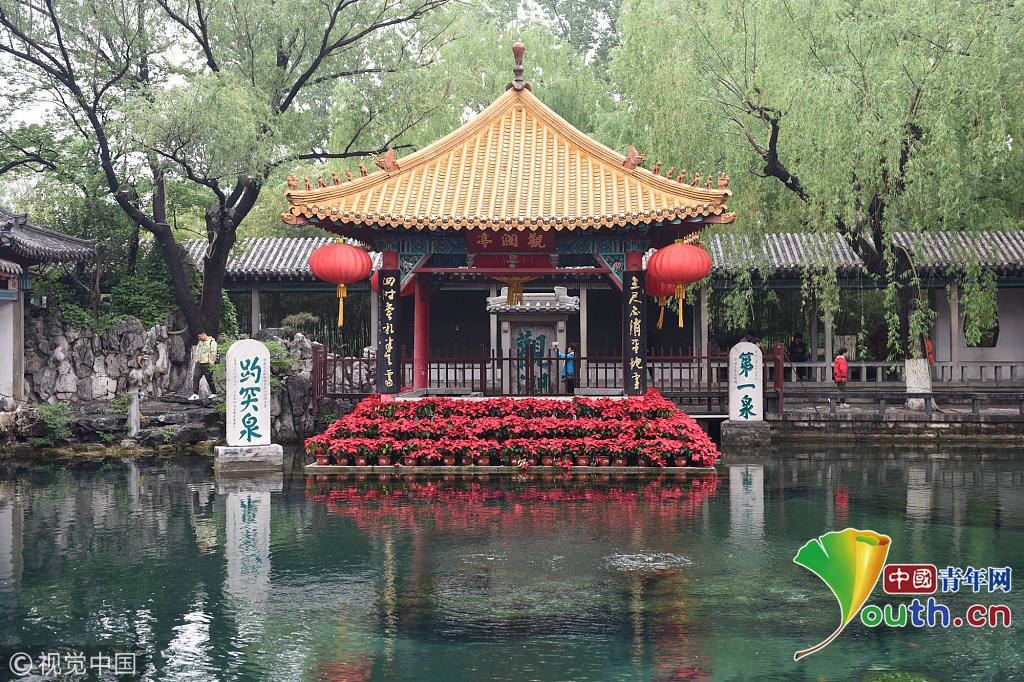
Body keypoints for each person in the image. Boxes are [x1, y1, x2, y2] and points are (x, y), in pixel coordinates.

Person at [189, 330, 219, 400]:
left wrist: (211, 363)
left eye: (199, 336)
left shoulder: (212, 342)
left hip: (207, 363)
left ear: (203, 334)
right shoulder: (200, 342)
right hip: (199, 363)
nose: (199, 338)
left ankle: (214, 393)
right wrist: (197, 360)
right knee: (195, 377)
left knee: (209, 378)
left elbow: (214, 353)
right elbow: (197, 351)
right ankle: (195, 394)